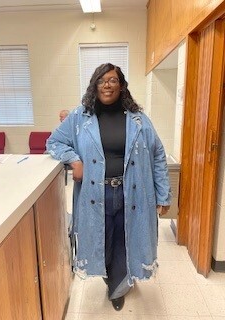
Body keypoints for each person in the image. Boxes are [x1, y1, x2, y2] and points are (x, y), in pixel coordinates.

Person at [46, 63, 171, 311]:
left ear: (122, 86)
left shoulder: (138, 119)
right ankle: (111, 279)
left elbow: (157, 155)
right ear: (94, 85)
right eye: (101, 80)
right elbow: (54, 142)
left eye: (113, 80)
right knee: (102, 242)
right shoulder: (80, 117)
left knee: (126, 242)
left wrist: (164, 195)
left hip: (131, 192)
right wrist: (74, 159)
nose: (107, 85)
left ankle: (118, 288)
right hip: (96, 194)